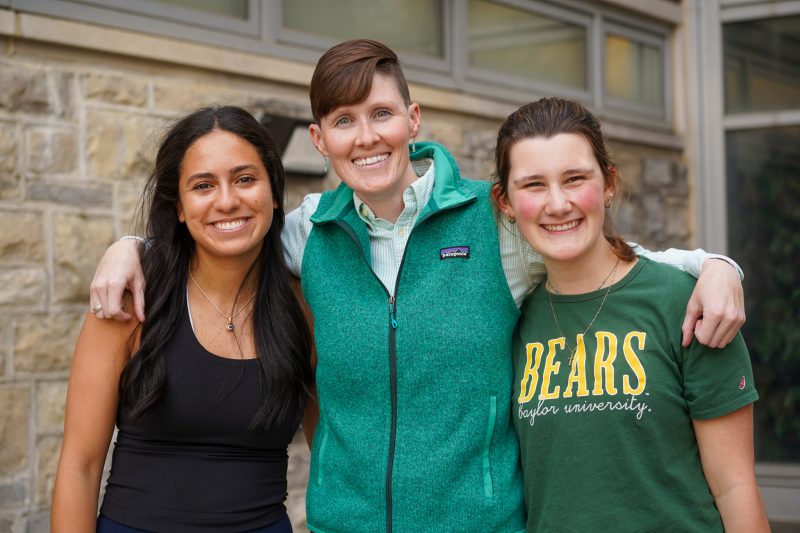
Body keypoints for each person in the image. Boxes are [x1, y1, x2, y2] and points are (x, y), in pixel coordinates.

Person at [87, 40, 747, 533]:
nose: (366, 135)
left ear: (414, 119)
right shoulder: (311, 231)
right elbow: (224, 231)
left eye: (381, 112)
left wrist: (718, 265)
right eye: (344, 120)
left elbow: (606, 251)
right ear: (320, 139)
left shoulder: (493, 221)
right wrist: (133, 247)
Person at [493, 97, 768, 532]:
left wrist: (720, 267)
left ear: (607, 184)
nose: (558, 203)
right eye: (533, 185)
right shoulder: (510, 322)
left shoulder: (688, 303)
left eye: (575, 178)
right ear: (505, 201)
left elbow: (734, 487)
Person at [51, 106, 313, 533]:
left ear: (273, 193)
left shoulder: (303, 305)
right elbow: (80, 466)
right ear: (178, 206)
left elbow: (330, 458)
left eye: (245, 179)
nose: (227, 200)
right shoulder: (133, 299)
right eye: (203, 185)